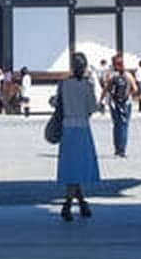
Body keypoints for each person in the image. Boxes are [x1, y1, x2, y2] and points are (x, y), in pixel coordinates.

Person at [52, 51, 101, 220]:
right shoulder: (87, 85)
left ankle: (81, 203)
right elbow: (92, 108)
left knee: (71, 167)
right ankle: (68, 204)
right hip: (82, 127)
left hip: (67, 127)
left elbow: (55, 102)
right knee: (78, 167)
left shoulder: (64, 84)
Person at [105, 56, 135, 158]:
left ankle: (117, 149)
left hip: (114, 103)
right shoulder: (128, 75)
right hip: (126, 103)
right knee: (124, 126)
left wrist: (101, 100)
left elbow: (107, 89)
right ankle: (122, 150)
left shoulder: (110, 75)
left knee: (116, 125)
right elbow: (135, 88)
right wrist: (127, 95)